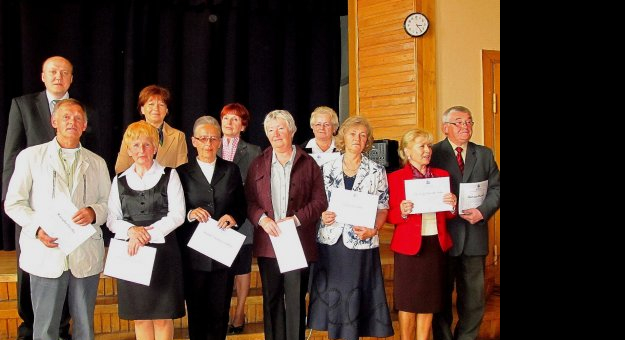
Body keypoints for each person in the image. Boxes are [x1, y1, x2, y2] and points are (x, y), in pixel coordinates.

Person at [4, 99, 110, 340]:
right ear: (54, 121)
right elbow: (14, 203)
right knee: (45, 328)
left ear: (85, 125)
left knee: (85, 328)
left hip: (84, 255)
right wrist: (37, 228)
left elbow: (108, 206)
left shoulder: (97, 162)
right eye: (65, 117)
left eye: (77, 118)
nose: (72, 121)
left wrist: (94, 212)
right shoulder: (30, 157)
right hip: (46, 252)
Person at [2, 56, 76, 340]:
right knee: (29, 270)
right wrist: (12, 199)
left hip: (70, 210)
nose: (58, 76)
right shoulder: (23, 105)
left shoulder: (83, 109)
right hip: (33, 208)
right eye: (53, 72)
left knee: (67, 268)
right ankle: (29, 329)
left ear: (71, 78)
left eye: (64, 72)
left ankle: (61, 328)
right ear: (43, 76)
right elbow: (12, 155)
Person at [308, 116, 393, 340]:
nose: (358, 138)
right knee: (335, 296)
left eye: (363, 135)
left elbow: (383, 207)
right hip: (331, 242)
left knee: (354, 296)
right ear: (343, 137)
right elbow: (315, 203)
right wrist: (321, 215)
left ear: (368, 141)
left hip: (361, 242)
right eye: (353, 133)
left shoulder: (376, 171)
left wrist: (374, 229)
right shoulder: (325, 168)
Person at [245, 110, 327, 340]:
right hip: (268, 243)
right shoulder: (258, 164)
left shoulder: (308, 163)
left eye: (281, 128)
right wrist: (262, 219)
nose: (276, 134)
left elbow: (320, 201)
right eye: (270, 130)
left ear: (291, 131)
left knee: (295, 299)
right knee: (271, 299)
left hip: (297, 241)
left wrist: (297, 219)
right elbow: (249, 201)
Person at [107, 120, 186, 340]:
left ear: (155, 147)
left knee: (162, 318)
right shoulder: (119, 180)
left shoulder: (170, 175)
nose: (141, 150)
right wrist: (132, 231)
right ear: (129, 150)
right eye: (135, 145)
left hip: (163, 254)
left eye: (147, 144)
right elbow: (112, 219)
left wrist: (146, 234)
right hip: (132, 253)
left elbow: (178, 215)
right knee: (140, 317)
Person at [430, 106, 500, 340]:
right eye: (459, 122)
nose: (465, 127)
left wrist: (482, 211)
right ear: (445, 128)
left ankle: (466, 337)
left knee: (474, 297)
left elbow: (497, 188)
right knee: (441, 295)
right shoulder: (432, 153)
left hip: (474, 234)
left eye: (469, 122)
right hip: (444, 235)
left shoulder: (485, 154)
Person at [176, 116, 247, 340]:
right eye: (203, 139)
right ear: (193, 141)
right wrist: (190, 213)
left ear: (220, 142)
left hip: (222, 253)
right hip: (194, 254)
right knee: (197, 314)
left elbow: (241, 206)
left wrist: (233, 217)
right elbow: (175, 210)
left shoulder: (231, 169)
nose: (208, 144)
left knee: (219, 313)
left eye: (213, 139)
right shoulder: (181, 172)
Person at [387, 128, 457, 340]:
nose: (427, 150)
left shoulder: (442, 176)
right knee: (407, 302)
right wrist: (402, 211)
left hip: (435, 244)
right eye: (421, 146)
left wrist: (453, 205)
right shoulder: (395, 178)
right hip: (408, 247)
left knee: (429, 301)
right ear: (407, 152)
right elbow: (389, 216)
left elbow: (449, 216)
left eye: (429, 146)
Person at [217, 103, 262, 334]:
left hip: (242, 218)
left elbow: (257, 189)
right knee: (220, 268)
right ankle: (220, 313)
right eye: (226, 118)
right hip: (215, 222)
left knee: (242, 268)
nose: (229, 123)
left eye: (236, 119)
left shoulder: (253, 151)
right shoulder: (210, 146)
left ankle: (239, 311)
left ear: (243, 126)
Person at [114, 85, 188, 174]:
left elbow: (182, 171)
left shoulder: (178, 136)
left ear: (167, 110)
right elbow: (121, 168)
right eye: (151, 104)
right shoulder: (131, 132)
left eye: (161, 104)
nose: (156, 108)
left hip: (167, 186)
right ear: (142, 109)